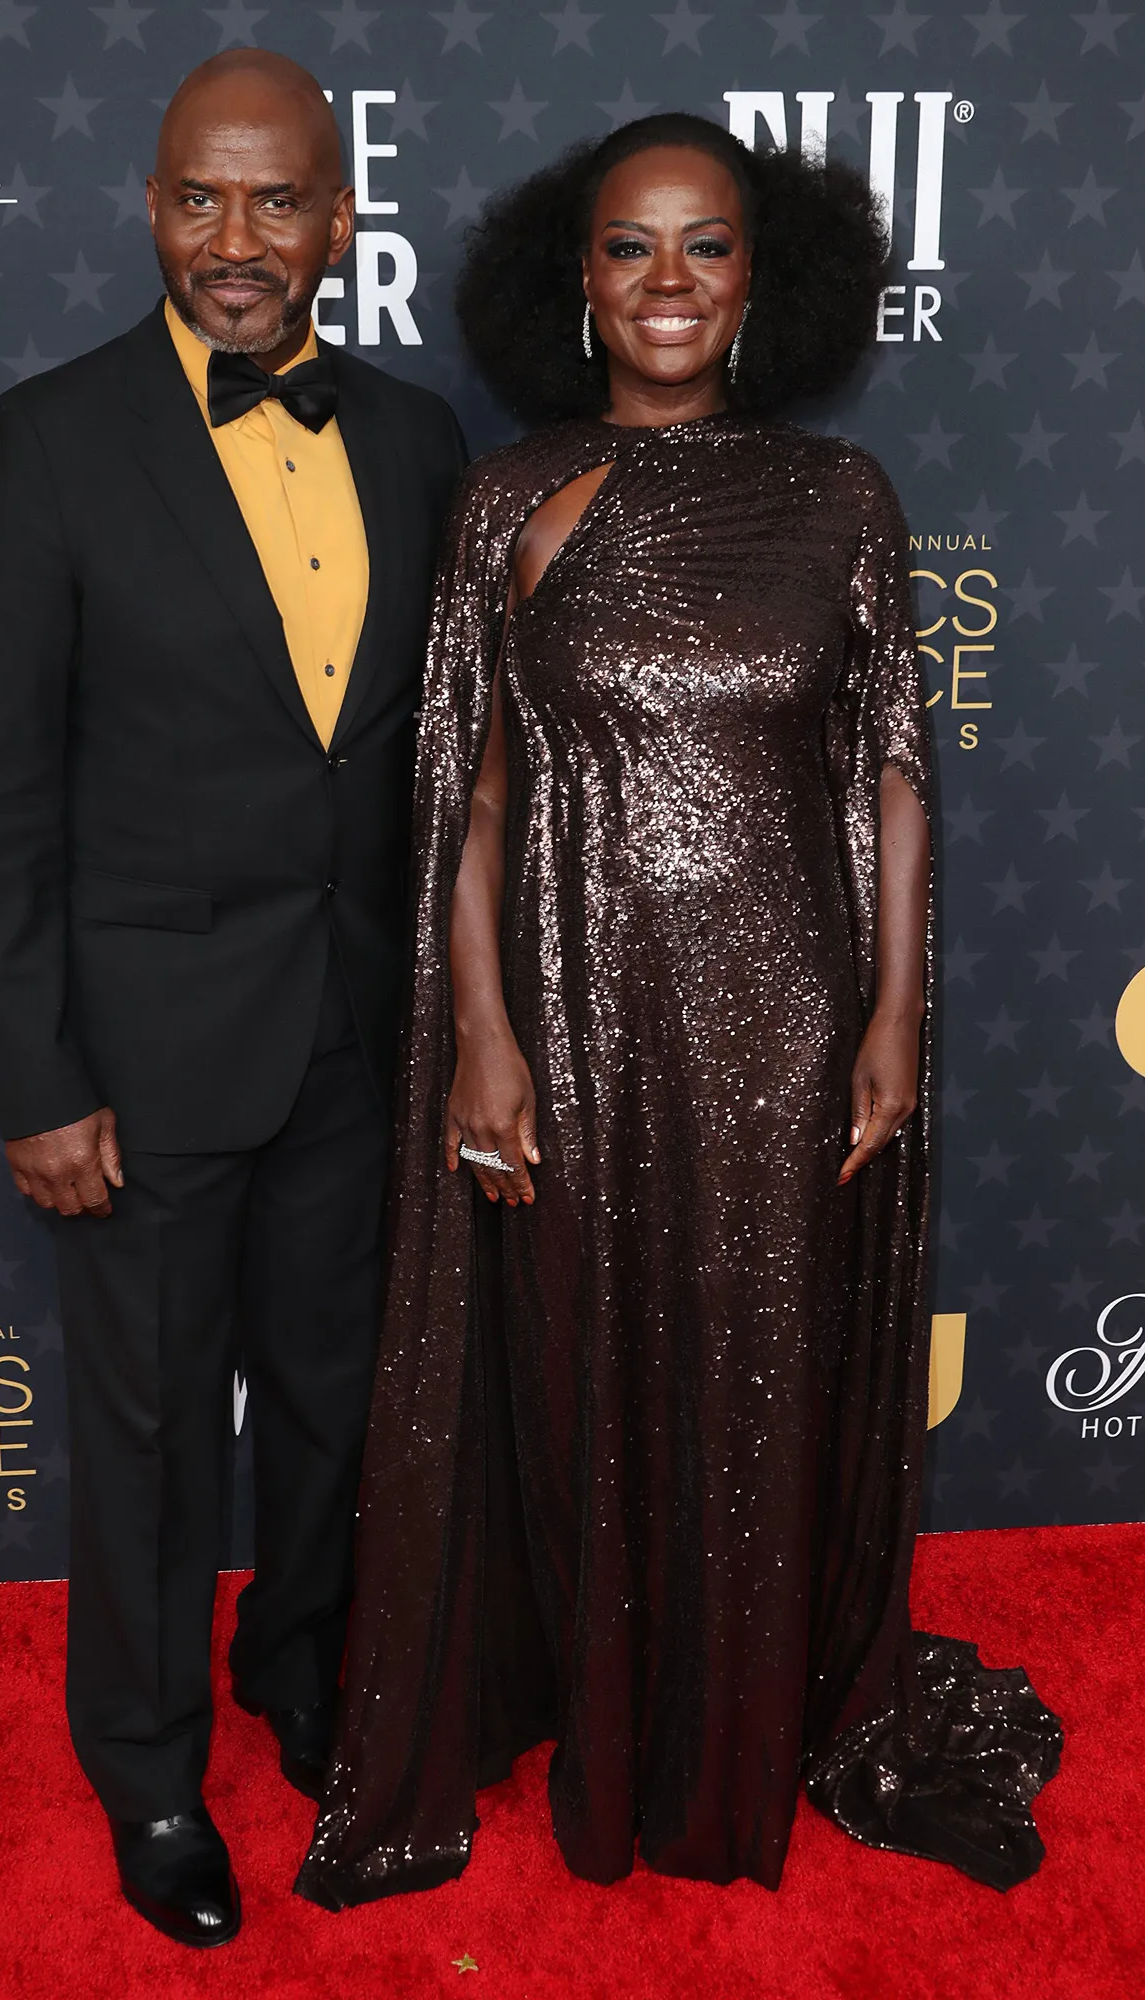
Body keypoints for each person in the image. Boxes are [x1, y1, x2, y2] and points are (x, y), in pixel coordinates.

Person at [296, 116, 1060, 1910]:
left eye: (703, 247)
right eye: (628, 247)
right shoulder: (512, 498)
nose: (665, 283)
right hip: (572, 1018)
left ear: (759, 276)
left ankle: (733, 1736)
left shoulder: (841, 499)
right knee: (579, 1374)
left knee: (761, 1387)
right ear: (574, 280)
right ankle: (609, 1711)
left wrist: (892, 1019)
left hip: (793, 1028)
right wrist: (483, 1035)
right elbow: (469, 800)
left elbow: (891, 776)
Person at [0, 50, 465, 1948]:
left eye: (276, 202)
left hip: (357, 1033)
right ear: (152, 209)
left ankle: (295, 1669)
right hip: (141, 1064)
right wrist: (36, 1077)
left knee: (331, 1400)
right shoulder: (50, 439)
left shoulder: (415, 443)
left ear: (340, 218)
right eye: (197, 200)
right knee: (153, 1434)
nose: (235, 243)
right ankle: (150, 1772)